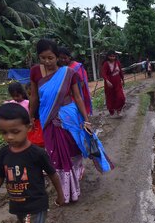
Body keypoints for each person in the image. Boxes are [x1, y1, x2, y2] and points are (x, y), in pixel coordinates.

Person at [29, 39, 113, 203]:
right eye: (43, 58)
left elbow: (78, 97)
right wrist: (31, 116)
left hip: (68, 118)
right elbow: (34, 96)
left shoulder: (68, 73)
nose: (47, 62)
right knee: (55, 154)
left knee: (71, 151)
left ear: (57, 57)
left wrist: (86, 120)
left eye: (51, 58)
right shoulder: (35, 72)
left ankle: (71, 190)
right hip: (47, 119)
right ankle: (65, 191)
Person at [4, 82, 44, 148]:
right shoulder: (13, 103)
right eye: (13, 96)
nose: (15, 98)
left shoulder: (28, 103)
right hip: (23, 127)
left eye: (17, 95)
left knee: (37, 141)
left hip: (33, 125)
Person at [58, 47, 93, 115]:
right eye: (60, 58)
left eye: (65, 58)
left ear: (69, 57)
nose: (63, 60)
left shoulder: (76, 67)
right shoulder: (60, 68)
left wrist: (72, 91)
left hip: (77, 94)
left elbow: (82, 81)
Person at [101, 51, 126, 118]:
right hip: (110, 84)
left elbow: (120, 71)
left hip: (118, 82)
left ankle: (119, 110)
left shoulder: (117, 62)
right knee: (111, 97)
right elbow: (103, 73)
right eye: (111, 56)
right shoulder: (106, 64)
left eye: (114, 56)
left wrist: (123, 79)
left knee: (121, 97)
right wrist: (107, 81)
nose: (112, 58)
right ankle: (112, 111)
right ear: (108, 56)